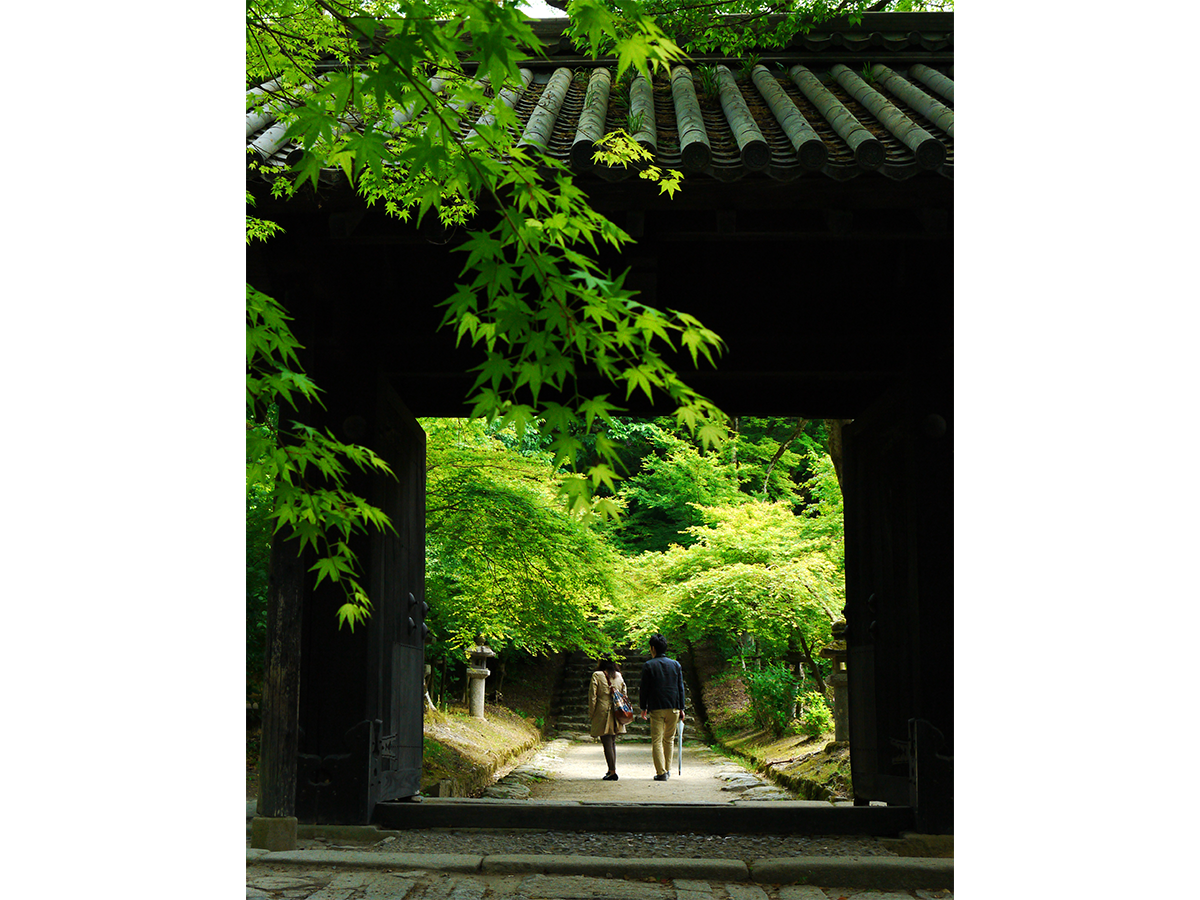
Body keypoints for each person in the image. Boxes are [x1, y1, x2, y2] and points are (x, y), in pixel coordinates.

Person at [638, 633, 685, 781]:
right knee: (669, 739)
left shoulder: (649, 665)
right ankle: (668, 769)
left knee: (657, 740)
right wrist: (682, 708)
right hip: (673, 707)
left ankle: (661, 772)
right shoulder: (675, 664)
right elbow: (680, 688)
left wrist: (643, 707)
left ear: (652, 648)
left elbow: (644, 688)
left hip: (656, 707)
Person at [588, 657, 628, 780]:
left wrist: (592, 712)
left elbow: (592, 696)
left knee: (606, 742)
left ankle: (612, 771)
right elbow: (624, 694)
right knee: (612, 742)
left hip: (602, 710)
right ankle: (611, 769)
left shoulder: (597, 675)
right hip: (616, 711)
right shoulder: (618, 676)